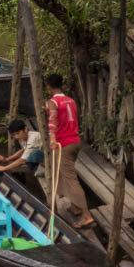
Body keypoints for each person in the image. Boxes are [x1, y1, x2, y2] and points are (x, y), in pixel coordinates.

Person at [45, 73, 94, 229]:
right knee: (64, 174)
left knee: (71, 179)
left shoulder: (53, 102)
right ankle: (75, 206)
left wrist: (52, 139)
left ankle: (87, 216)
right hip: (75, 142)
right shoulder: (70, 100)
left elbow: (52, 121)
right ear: (62, 86)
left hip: (63, 144)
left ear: (49, 87)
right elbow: (64, 115)